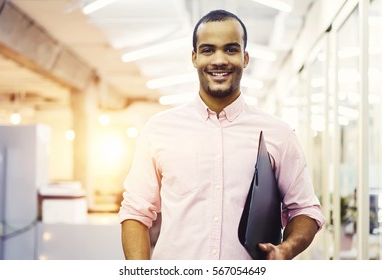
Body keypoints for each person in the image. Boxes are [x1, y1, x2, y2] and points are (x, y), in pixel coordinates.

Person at [118, 9, 325, 260]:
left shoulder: (279, 134)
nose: (219, 60)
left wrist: (286, 249)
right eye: (208, 50)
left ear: (245, 58)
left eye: (230, 49)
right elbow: (136, 213)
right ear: (194, 58)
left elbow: (305, 209)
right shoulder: (158, 130)